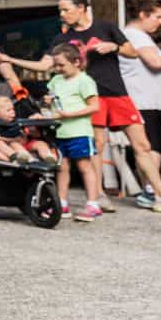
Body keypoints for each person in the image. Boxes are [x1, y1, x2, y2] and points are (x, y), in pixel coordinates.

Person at [0, 0, 157, 211]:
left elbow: (132, 52)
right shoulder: (61, 39)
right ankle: (97, 196)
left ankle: (159, 194)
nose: (62, 15)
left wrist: (114, 47)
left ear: (81, 7)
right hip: (90, 95)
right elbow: (44, 65)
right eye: (60, 11)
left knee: (142, 144)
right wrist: (10, 59)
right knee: (97, 147)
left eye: (65, 10)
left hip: (116, 92)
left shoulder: (105, 27)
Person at [120, 0, 161, 211]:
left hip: (147, 98)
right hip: (144, 99)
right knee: (152, 147)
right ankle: (150, 191)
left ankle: (150, 190)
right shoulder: (135, 35)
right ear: (143, 15)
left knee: (154, 146)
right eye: (158, 16)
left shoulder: (140, 36)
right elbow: (156, 63)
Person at [44, 43, 104, 221]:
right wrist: (48, 100)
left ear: (76, 62)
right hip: (60, 130)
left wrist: (69, 114)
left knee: (84, 165)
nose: (58, 68)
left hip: (78, 130)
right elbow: (51, 97)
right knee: (62, 167)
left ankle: (93, 203)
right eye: (56, 65)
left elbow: (94, 106)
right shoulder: (56, 80)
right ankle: (62, 203)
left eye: (61, 65)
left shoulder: (84, 81)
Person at [0, 94, 54, 164]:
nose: (13, 112)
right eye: (8, 110)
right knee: (15, 144)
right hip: (11, 146)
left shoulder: (16, 120)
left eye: (13, 109)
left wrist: (31, 123)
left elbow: (28, 131)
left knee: (41, 144)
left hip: (25, 142)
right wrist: (15, 140)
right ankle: (30, 160)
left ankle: (48, 157)